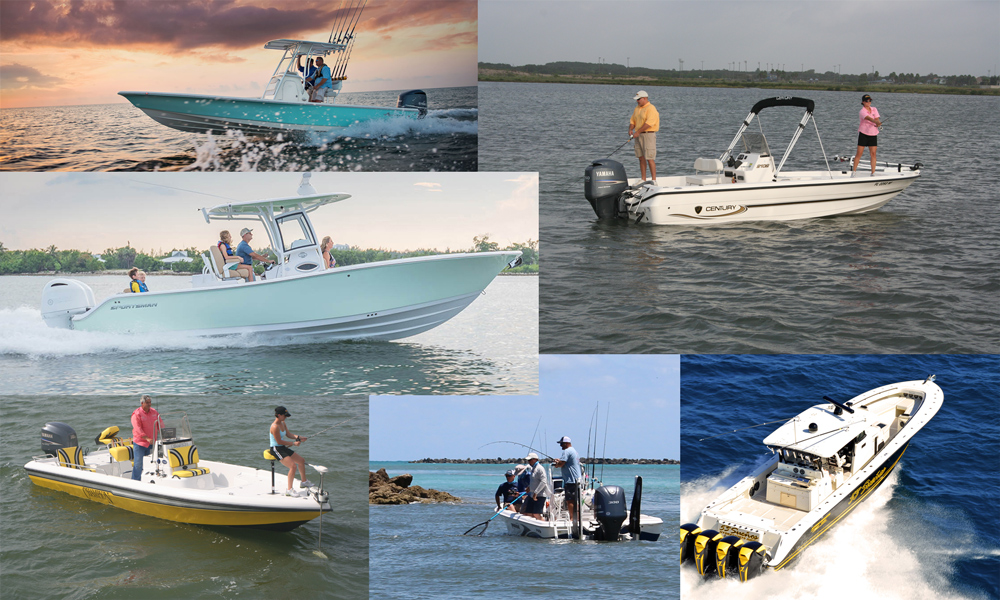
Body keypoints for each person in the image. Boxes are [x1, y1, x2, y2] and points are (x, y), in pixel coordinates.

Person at [269, 406, 313, 496]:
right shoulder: (274, 427)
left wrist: (299, 437)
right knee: (293, 466)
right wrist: (293, 443)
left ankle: (304, 482)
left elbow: (288, 434)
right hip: (276, 449)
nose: (286, 417)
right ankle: (289, 490)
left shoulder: (283, 423)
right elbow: (279, 441)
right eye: (284, 415)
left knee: (301, 460)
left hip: (282, 447)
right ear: (279, 415)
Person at [628, 90, 660, 182]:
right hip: (638, 135)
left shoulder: (651, 108)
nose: (637, 101)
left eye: (639, 99)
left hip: (648, 135)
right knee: (641, 157)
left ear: (645, 98)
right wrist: (630, 129)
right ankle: (643, 179)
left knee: (650, 158)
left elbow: (649, 123)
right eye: (637, 99)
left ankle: (654, 180)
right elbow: (632, 121)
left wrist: (638, 132)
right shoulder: (637, 108)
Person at [130, 395, 161, 481]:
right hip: (140, 444)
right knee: (138, 465)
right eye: (147, 402)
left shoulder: (154, 412)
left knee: (151, 464)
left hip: (151, 443)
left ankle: (148, 480)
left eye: (150, 402)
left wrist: (164, 433)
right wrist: (147, 438)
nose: (149, 404)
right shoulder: (136, 414)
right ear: (142, 403)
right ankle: (135, 482)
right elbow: (138, 428)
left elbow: (160, 423)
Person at [852, 94, 882, 176]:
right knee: (859, 153)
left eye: (869, 101)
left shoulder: (874, 109)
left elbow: (876, 118)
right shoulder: (862, 111)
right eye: (866, 101)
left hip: (873, 133)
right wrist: (875, 121)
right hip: (864, 134)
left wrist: (878, 123)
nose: (868, 102)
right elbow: (869, 118)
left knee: (873, 154)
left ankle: (873, 172)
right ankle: (854, 172)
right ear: (863, 102)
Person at [553, 436, 581, 518]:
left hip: (571, 480)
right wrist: (559, 461)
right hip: (576, 479)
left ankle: (572, 518)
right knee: (575, 500)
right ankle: (577, 517)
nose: (560, 446)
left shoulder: (567, 451)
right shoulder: (574, 451)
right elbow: (565, 461)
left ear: (566, 443)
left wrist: (557, 464)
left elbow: (561, 464)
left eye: (561, 444)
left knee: (570, 501)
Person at [524, 452, 548, 520]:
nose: (529, 462)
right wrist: (529, 487)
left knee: (536, 514)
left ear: (535, 459)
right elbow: (534, 480)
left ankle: (543, 523)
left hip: (539, 495)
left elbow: (544, 481)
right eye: (528, 460)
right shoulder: (533, 468)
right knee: (528, 513)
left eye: (530, 460)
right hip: (532, 495)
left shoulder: (540, 468)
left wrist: (536, 492)